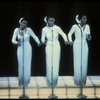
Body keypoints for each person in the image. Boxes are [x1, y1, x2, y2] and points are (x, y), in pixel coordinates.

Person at [12, 17, 41, 87]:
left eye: (26, 23)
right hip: (20, 48)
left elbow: (35, 36)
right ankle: (21, 82)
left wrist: (38, 42)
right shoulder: (16, 30)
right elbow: (12, 40)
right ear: (20, 22)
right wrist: (16, 42)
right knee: (21, 65)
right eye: (23, 23)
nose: (24, 24)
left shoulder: (28, 30)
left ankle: (26, 83)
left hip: (28, 48)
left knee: (27, 65)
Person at [41, 16, 68, 87]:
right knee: (49, 64)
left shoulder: (57, 28)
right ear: (47, 21)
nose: (52, 22)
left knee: (56, 63)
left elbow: (63, 34)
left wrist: (66, 40)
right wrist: (44, 41)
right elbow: (42, 39)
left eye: (53, 20)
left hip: (56, 45)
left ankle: (55, 82)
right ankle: (49, 83)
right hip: (49, 45)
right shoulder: (44, 29)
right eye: (50, 20)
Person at [68, 14, 92, 86]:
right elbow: (69, 34)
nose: (85, 20)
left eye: (86, 18)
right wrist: (70, 40)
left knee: (84, 63)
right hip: (77, 44)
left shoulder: (87, 26)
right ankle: (77, 82)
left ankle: (83, 82)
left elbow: (89, 38)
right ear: (80, 19)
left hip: (85, 45)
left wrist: (89, 36)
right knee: (77, 63)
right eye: (84, 18)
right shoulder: (75, 26)